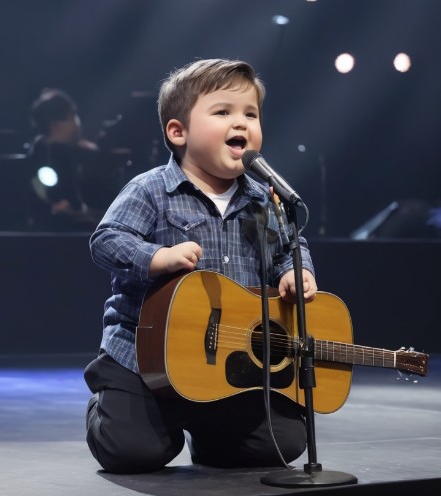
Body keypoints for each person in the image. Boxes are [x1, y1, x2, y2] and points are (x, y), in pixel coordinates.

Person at [84, 58, 318, 474]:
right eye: (223, 112)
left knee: (283, 443)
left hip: (224, 366)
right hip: (147, 361)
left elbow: (289, 246)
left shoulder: (265, 199)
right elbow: (106, 241)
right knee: (132, 453)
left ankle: (210, 433)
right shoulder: (152, 189)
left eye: (251, 114)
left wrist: (295, 270)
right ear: (179, 132)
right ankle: (113, 402)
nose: (241, 123)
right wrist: (155, 257)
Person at [27, 88, 106, 230]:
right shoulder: (54, 154)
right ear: (55, 125)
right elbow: (67, 205)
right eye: (72, 116)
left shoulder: (42, 150)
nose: (77, 123)